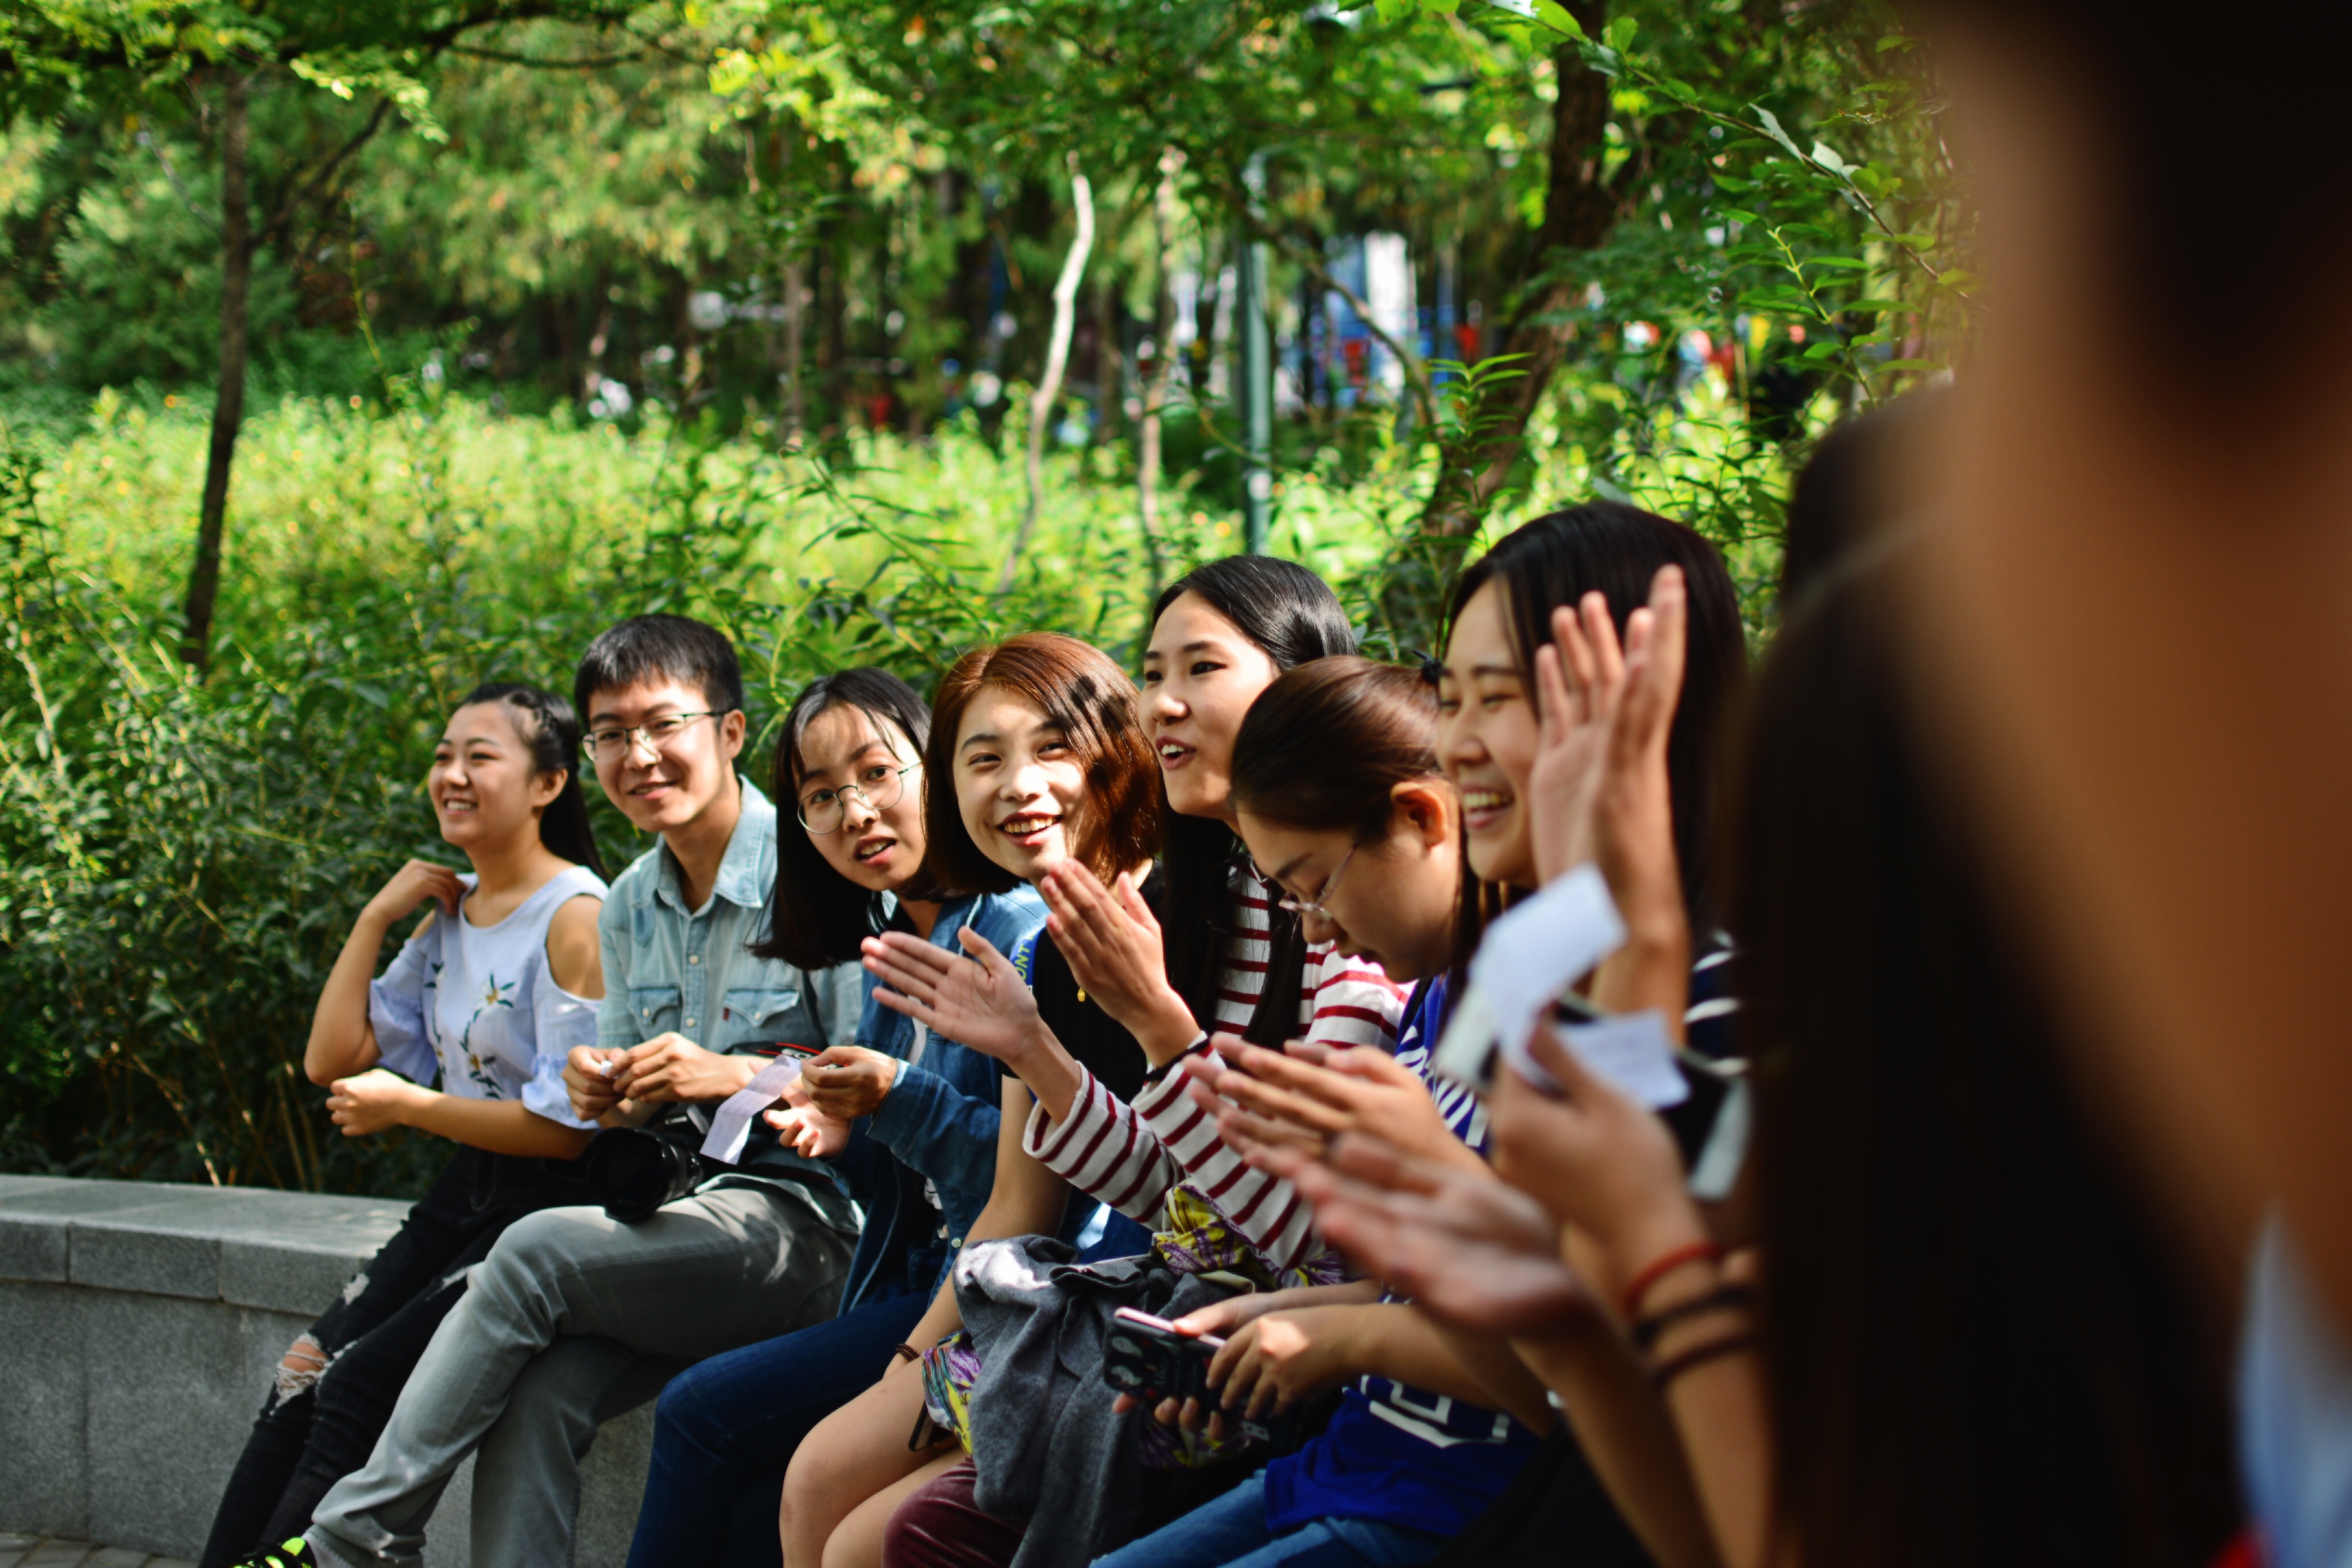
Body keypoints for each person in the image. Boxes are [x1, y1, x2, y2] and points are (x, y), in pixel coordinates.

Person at [1288, 556, 2246, 1568]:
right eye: (1453, 696)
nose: (1459, 744)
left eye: (1498, 696)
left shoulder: (1782, 1024)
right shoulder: (1629, 979)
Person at [247, 614, 869, 1568]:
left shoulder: (815, 867)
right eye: (612, 735)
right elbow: (613, 1114)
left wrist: (737, 1074)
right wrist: (603, 1088)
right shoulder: (625, 903)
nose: (640, 755)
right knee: (534, 1402)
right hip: (679, 1221)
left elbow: (876, 1081)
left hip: (811, 1229)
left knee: (531, 1246)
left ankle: (353, 1537)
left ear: (731, 733)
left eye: (663, 725)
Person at [870, 559, 1410, 1568]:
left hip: (1289, 1374)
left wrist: (1160, 1027)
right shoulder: (1208, 905)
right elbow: (1179, 1191)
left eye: (1200, 667)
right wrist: (1035, 1046)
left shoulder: (1347, 922)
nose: (1158, 703)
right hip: (1188, 1347)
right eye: (1152, 669)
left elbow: (1308, 1242)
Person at [1084, 655, 1575, 1568]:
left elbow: (1554, 1354)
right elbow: (1418, 1286)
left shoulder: (1562, 1017)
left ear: (1423, 816)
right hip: (1354, 1463)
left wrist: (1340, 1336)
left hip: (1461, 1505)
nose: (1314, 928)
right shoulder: (1436, 1003)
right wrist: (1273, 1325)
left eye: (1316, 883)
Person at [622, 668, 1046, 1568]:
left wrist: (896, 1098)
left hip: (998, 1294)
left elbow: (1036, 1178)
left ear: (936, 766)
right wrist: (849, 1133)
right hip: (920, 1275)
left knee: (700, 1412)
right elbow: (908, 1166)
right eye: (821, 796)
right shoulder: (898, 932)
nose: (855, 812)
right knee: (741, 1514)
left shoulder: (1010, 927)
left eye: (876, 773)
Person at [779, 632, 1167, 1568]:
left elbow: (1137, 1197)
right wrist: (913, 1360)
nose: (1017, 785)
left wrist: (911, 1092)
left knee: (871, 1537)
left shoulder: (1150, 918)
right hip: (1024, 1301)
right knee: (815, 1474)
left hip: (1121, 1315)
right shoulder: (1036, 952)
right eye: (985, 760)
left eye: (1052, 749)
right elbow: (1015, 1198)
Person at [200, 683, 610, 1568]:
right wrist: (375, 916)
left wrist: (409, 1105)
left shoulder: (577, 915)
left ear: (548, 785)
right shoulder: (449, 911)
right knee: (300, 1373)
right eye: (443, 756)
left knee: (354, 1389)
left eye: (481, 756)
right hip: (463, 1193)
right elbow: (330, 1059)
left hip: (549, 1211)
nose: (453, 774)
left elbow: (572, 1133)